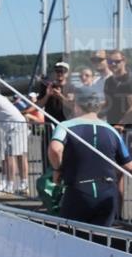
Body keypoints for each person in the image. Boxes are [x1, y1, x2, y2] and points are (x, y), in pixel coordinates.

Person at [48, 89, 132, 227]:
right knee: (101, 239)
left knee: (72, 237)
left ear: (76, 105)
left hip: (78, 191)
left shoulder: (65, 126)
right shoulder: (112, 131)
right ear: (99, 107)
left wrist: (57, 169)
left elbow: (55, 149)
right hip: (107, 191)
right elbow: (128, 165)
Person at [104, 51, 132, 129]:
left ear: (124, 61)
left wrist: (121, 124)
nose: (113, 64)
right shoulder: (108, 81)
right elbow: (107, 103)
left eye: (117, 61)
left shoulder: (129, 80)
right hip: (112, 127)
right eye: (110, 61)